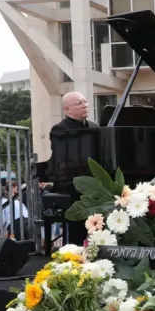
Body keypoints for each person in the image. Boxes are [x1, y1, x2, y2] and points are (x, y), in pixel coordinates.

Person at [50, 92, 98, 245]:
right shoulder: (59, 130)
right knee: (78, 205)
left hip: (93, 180)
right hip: (68, 183)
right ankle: (76, 247)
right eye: (79, 103)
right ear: (67, 109)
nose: (85, 105)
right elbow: (62, 161)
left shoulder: (95, 127)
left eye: (85, 102)